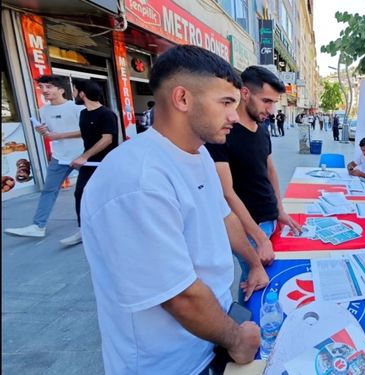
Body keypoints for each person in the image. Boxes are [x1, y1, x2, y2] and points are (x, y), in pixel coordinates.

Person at [80, 45, 267, 374]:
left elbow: (222, 217)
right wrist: (237, 339)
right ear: (182, 99)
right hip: (170, 362)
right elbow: (179, 296)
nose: (234, 117)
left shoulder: (199, 153)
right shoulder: (138, 180)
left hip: (212, 337)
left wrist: (253, 263)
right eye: (225, 103)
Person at [206, 65, 302, 303]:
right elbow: (226, 193)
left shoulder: (262, 131)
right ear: (245, 93)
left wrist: (279, 209)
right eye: (266, 101)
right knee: (255, 284)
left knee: (265, 279)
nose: (271, 109)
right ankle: (248, 331)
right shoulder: (224, 133)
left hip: (268, 220)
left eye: (274, 103)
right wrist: (259, 238)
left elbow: (269, 169)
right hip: (247, 229)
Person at [5, 75, 84, 238]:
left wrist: (60, 135)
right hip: (59, 157)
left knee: (86, 191)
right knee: (48, 190)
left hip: (83, 156)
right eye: (42, 87)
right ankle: (38, 226)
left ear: (61, 90)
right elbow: (49, 134)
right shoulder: (44, 110)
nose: (44, 90)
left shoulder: (77, 108)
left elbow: (87, 132)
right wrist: (43, 131)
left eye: (48, 87)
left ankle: (87, 226)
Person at [58, 79, 119, 246]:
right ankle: (83, 230)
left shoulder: (107, 114)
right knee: (80, 193)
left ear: (83, 93)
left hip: (106, 164)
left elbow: (107, 139)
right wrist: (58, 136)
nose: (74, 95)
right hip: (89, 163)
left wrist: (84, 156)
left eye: (76, 91)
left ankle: (115, 228)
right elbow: (86, 133)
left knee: (108, 196)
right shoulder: (84, 113)